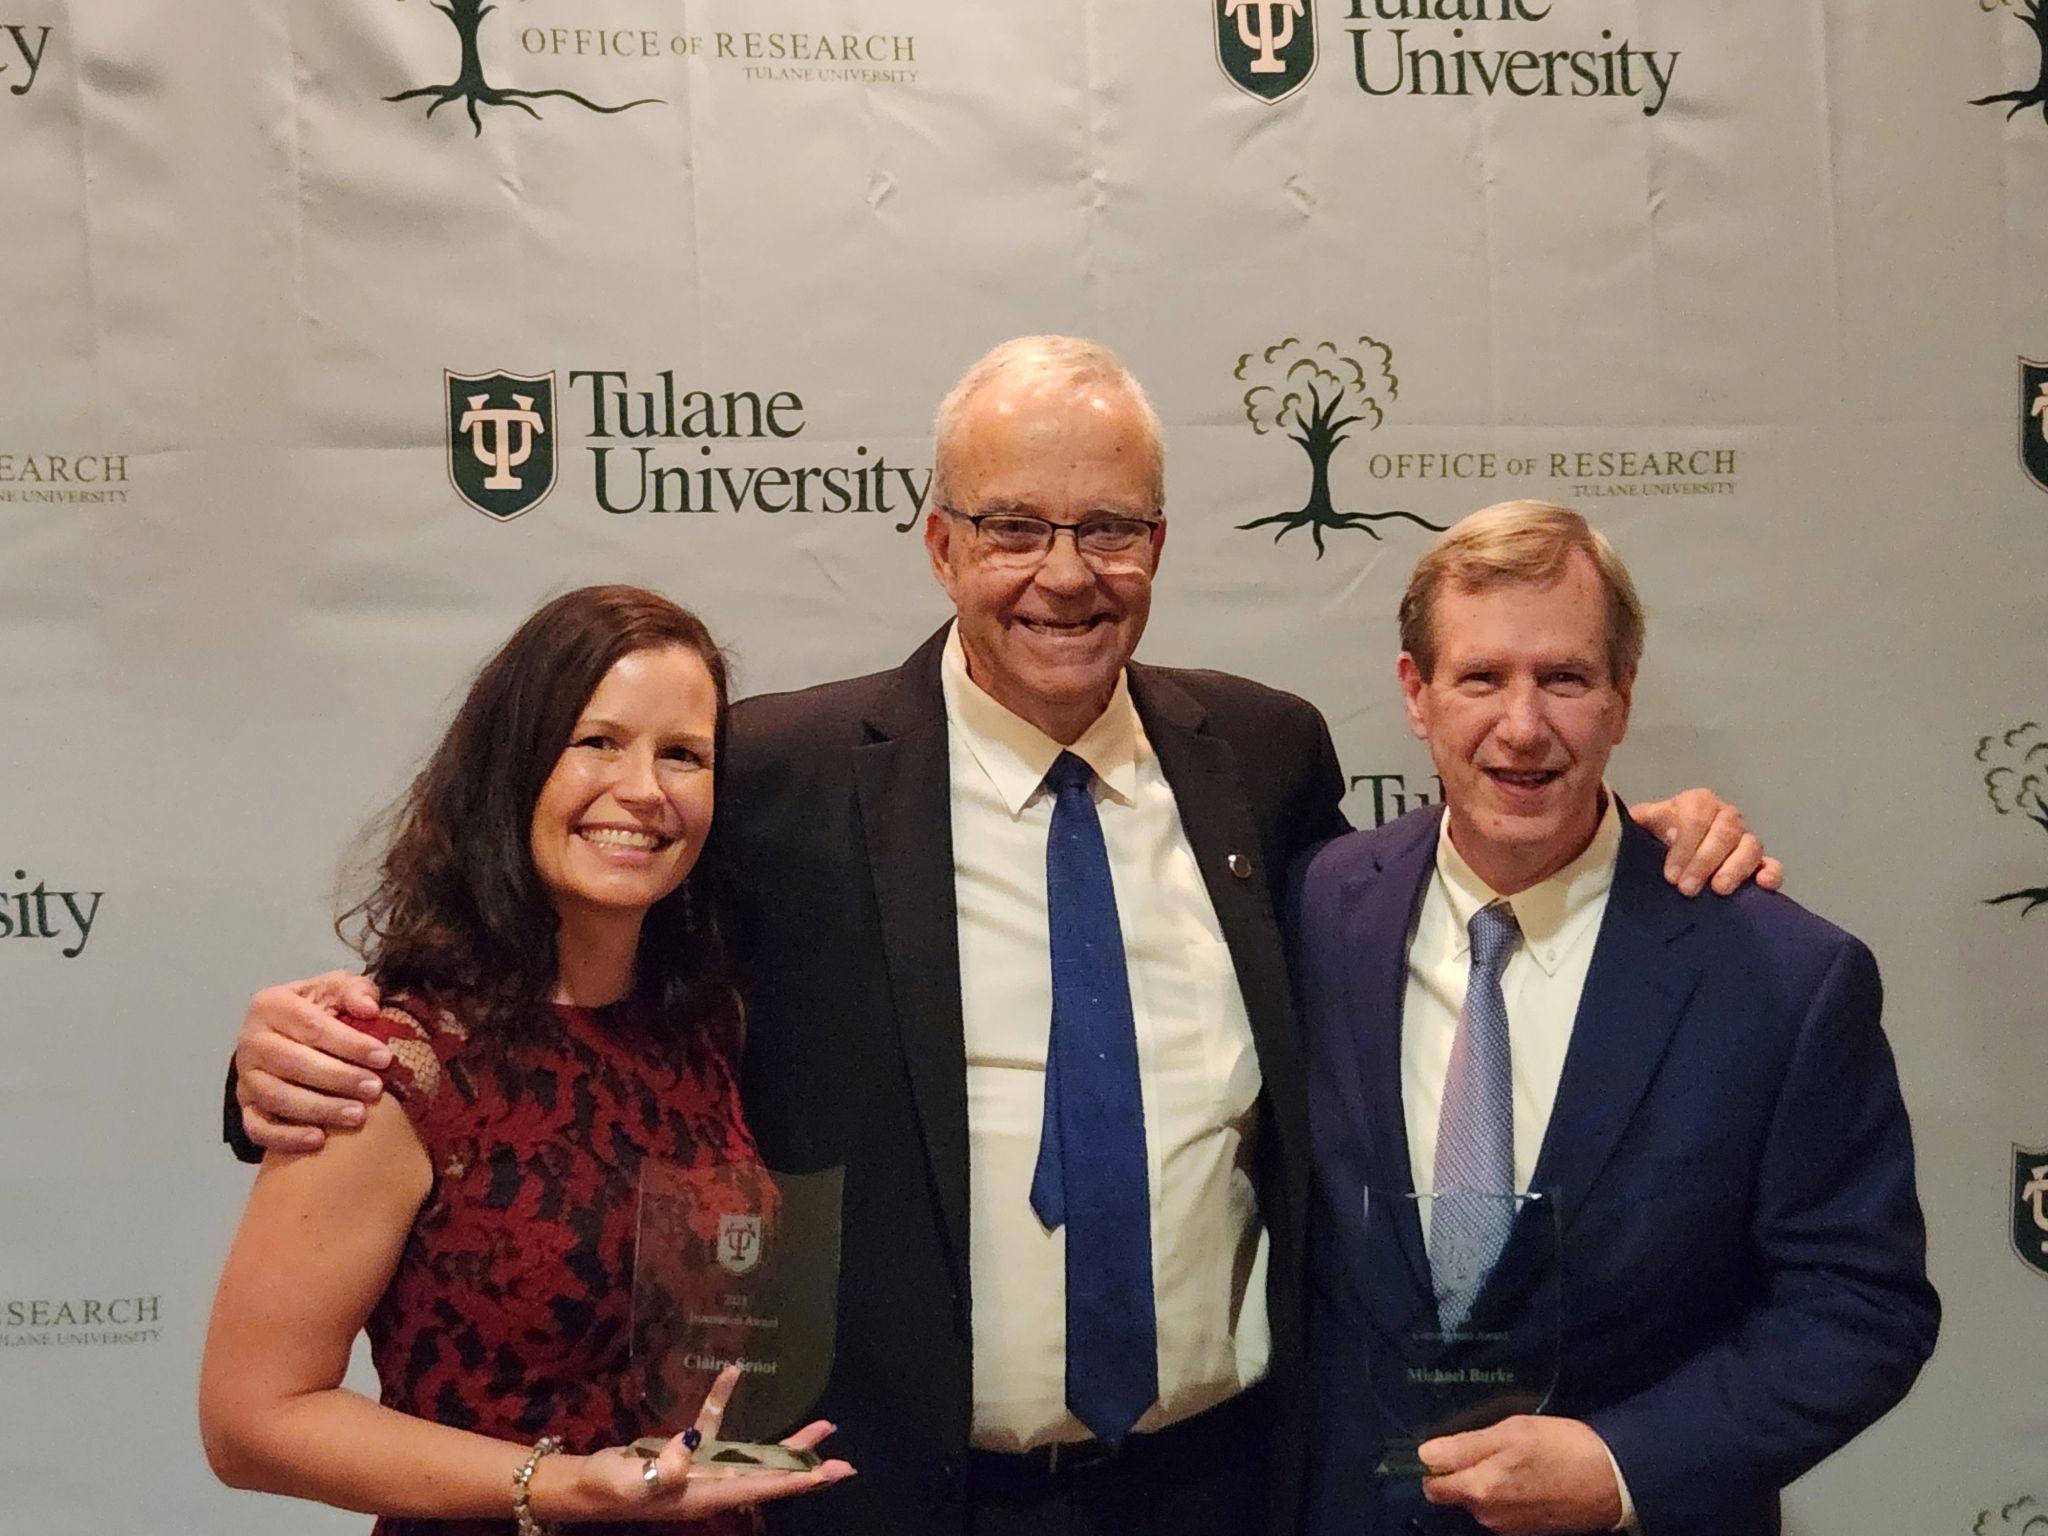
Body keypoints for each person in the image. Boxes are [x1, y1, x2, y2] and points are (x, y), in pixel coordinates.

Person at [224, 341, 1776, 1536]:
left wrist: (1628, 848)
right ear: (937, 542)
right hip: (888, 1492)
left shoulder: (1265, 753)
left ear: (1161, 541)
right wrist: (271, 1073)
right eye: (1014, 524)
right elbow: (557, 986)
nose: (1064, 573)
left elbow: (1438, 897)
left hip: (1227, 1481)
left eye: (1109, 526)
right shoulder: (772, 771)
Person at [1290, 502, 1937, 1536]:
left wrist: (1623, 1464)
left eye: (1564, 678)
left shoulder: (1781, 978)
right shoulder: (1320, 908)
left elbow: (1862, 1309)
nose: (1520, 726)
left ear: (1622, 697)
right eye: (1479, 677)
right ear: (1414, 693)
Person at [199, 586, 854, 1535]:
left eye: (683, 755)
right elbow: (251, 1421)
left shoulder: (710, 1028)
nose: (643, 789)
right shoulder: (389, 1063)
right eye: (596, 742)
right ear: (512, 765)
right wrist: (566, 1484)